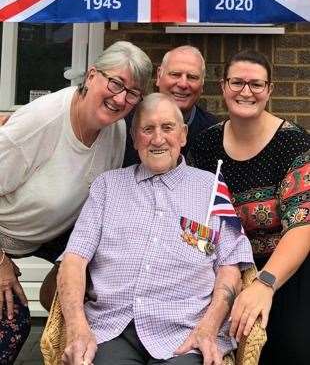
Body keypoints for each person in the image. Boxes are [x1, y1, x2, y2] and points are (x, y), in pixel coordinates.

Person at [58, 93, 254, 365]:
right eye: (148, 129)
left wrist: (208, 328)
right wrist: (77, 328)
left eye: (167, 128)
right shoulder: (107, 187)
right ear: (135, 138)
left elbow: (230, 267)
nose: (158, 139)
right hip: (112, 329)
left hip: (186, 332)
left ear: (183, 135)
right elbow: (74, 260)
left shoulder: (211, 189)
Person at [0, 41, 153, 364]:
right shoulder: (41, 122)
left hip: (47, 237)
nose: (120, 98)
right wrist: (1, 265)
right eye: (115, 83)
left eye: (133, 93)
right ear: (92, 75)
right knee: (10, 325)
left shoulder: (115, 131)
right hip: (4, 236)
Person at [188, 50, 310, 365]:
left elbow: (302, 225)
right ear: (223, 86)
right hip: (221, 270)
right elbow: (191, 217)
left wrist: (264, 284)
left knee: (290, 349)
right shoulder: (204, 146)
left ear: (269, 90)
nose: (246, 91)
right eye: (237, 82)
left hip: (281, 269)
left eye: (256, 84)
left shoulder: (294, 144)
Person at [123, 45, 217, 166]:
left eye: (192, 77)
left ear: (202, 84)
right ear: (158, 76)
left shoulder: (212, 133)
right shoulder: (126, 122)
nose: (183, 84)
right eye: (175, 74)